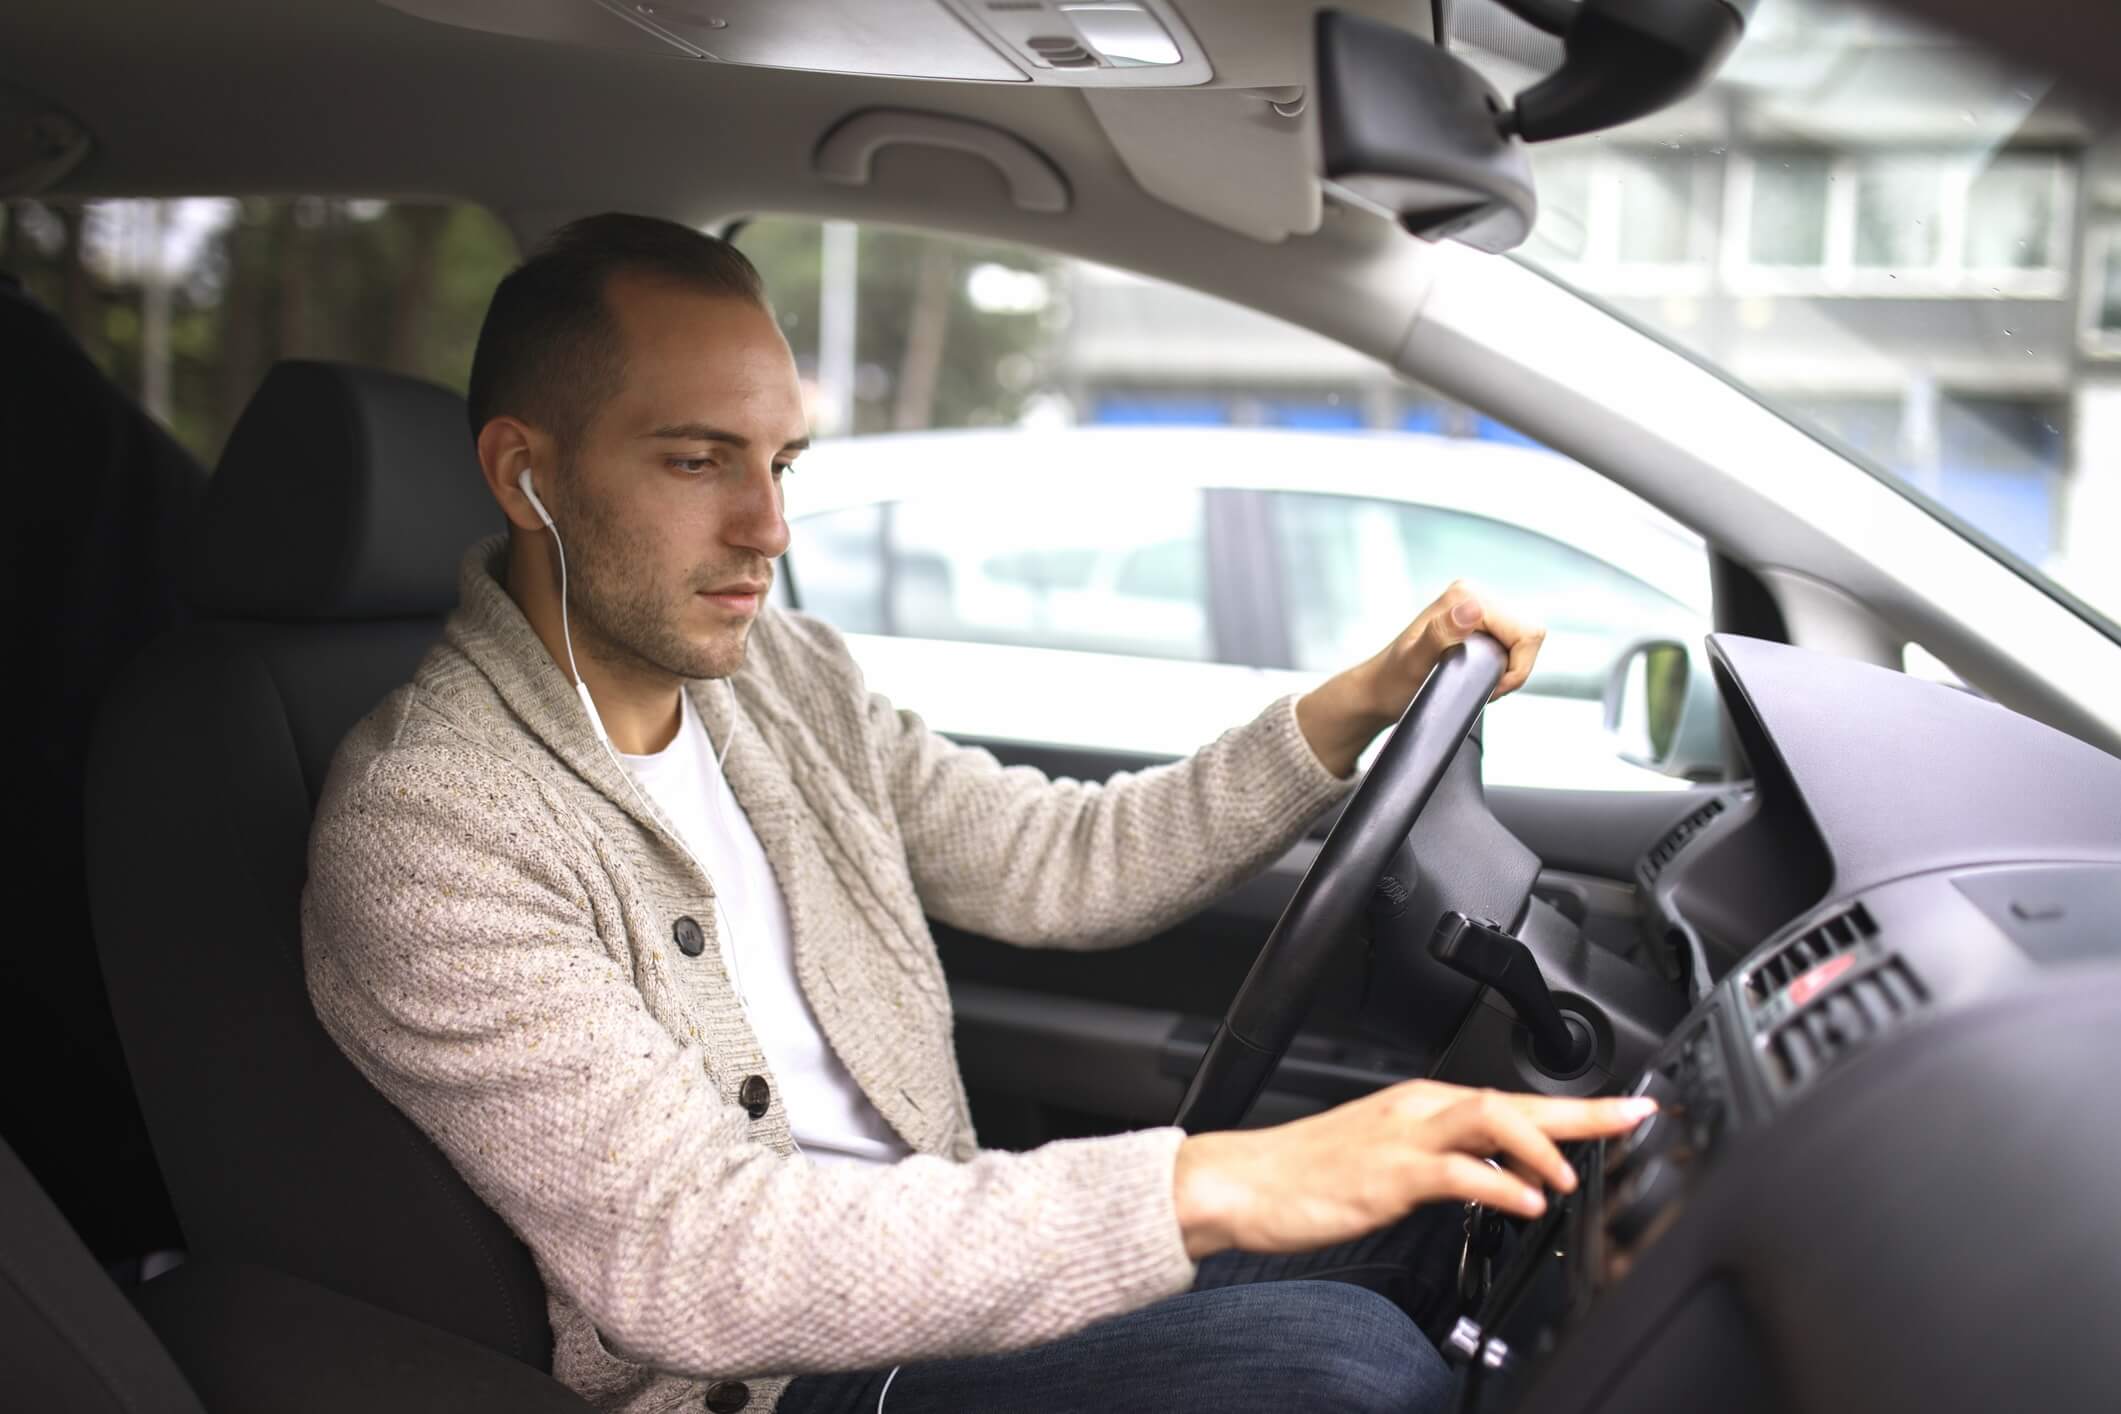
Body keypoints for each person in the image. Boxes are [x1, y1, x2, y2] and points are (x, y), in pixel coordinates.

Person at [301, 212, 1656, 1414]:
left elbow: (1055, 860)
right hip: (764, 1381)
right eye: (699, 459)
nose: (768, 525)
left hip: (928, 1264)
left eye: (783, 460)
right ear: (521, 471)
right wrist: (1202, 1183)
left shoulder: (777, 675)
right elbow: (694, 1260)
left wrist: (1357, 701)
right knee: (1348, 1375)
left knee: (1449, 1212)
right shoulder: (432, 829)